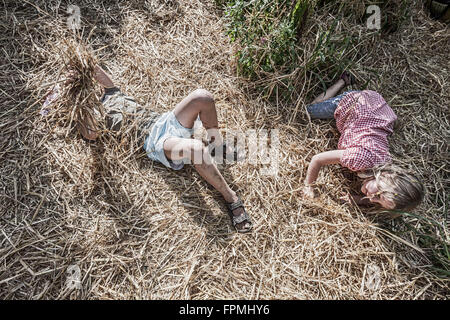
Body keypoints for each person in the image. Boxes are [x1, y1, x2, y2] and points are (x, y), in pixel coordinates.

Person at [78, 65, 253, 233]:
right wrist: (81, 102)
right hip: (155, 140)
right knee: (197, 149)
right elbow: (91, 134)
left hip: (163, 121)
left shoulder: (110, 92)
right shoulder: (92, 114)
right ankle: (231, 198)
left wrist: (80, 65)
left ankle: (217, 144)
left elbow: (94, 68)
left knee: (203, 97)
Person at [303, 72, 424, 211]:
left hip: (378, 111)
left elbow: (377, 196)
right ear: (386, 176)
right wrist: (309, 186)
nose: (372, 199)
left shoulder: (387, 169)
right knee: (309, 111)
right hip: (357, 103)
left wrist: (357, 200)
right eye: (378, 195)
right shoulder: (359, 158)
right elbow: (317, 159)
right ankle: (343, 81)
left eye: (377, 202)